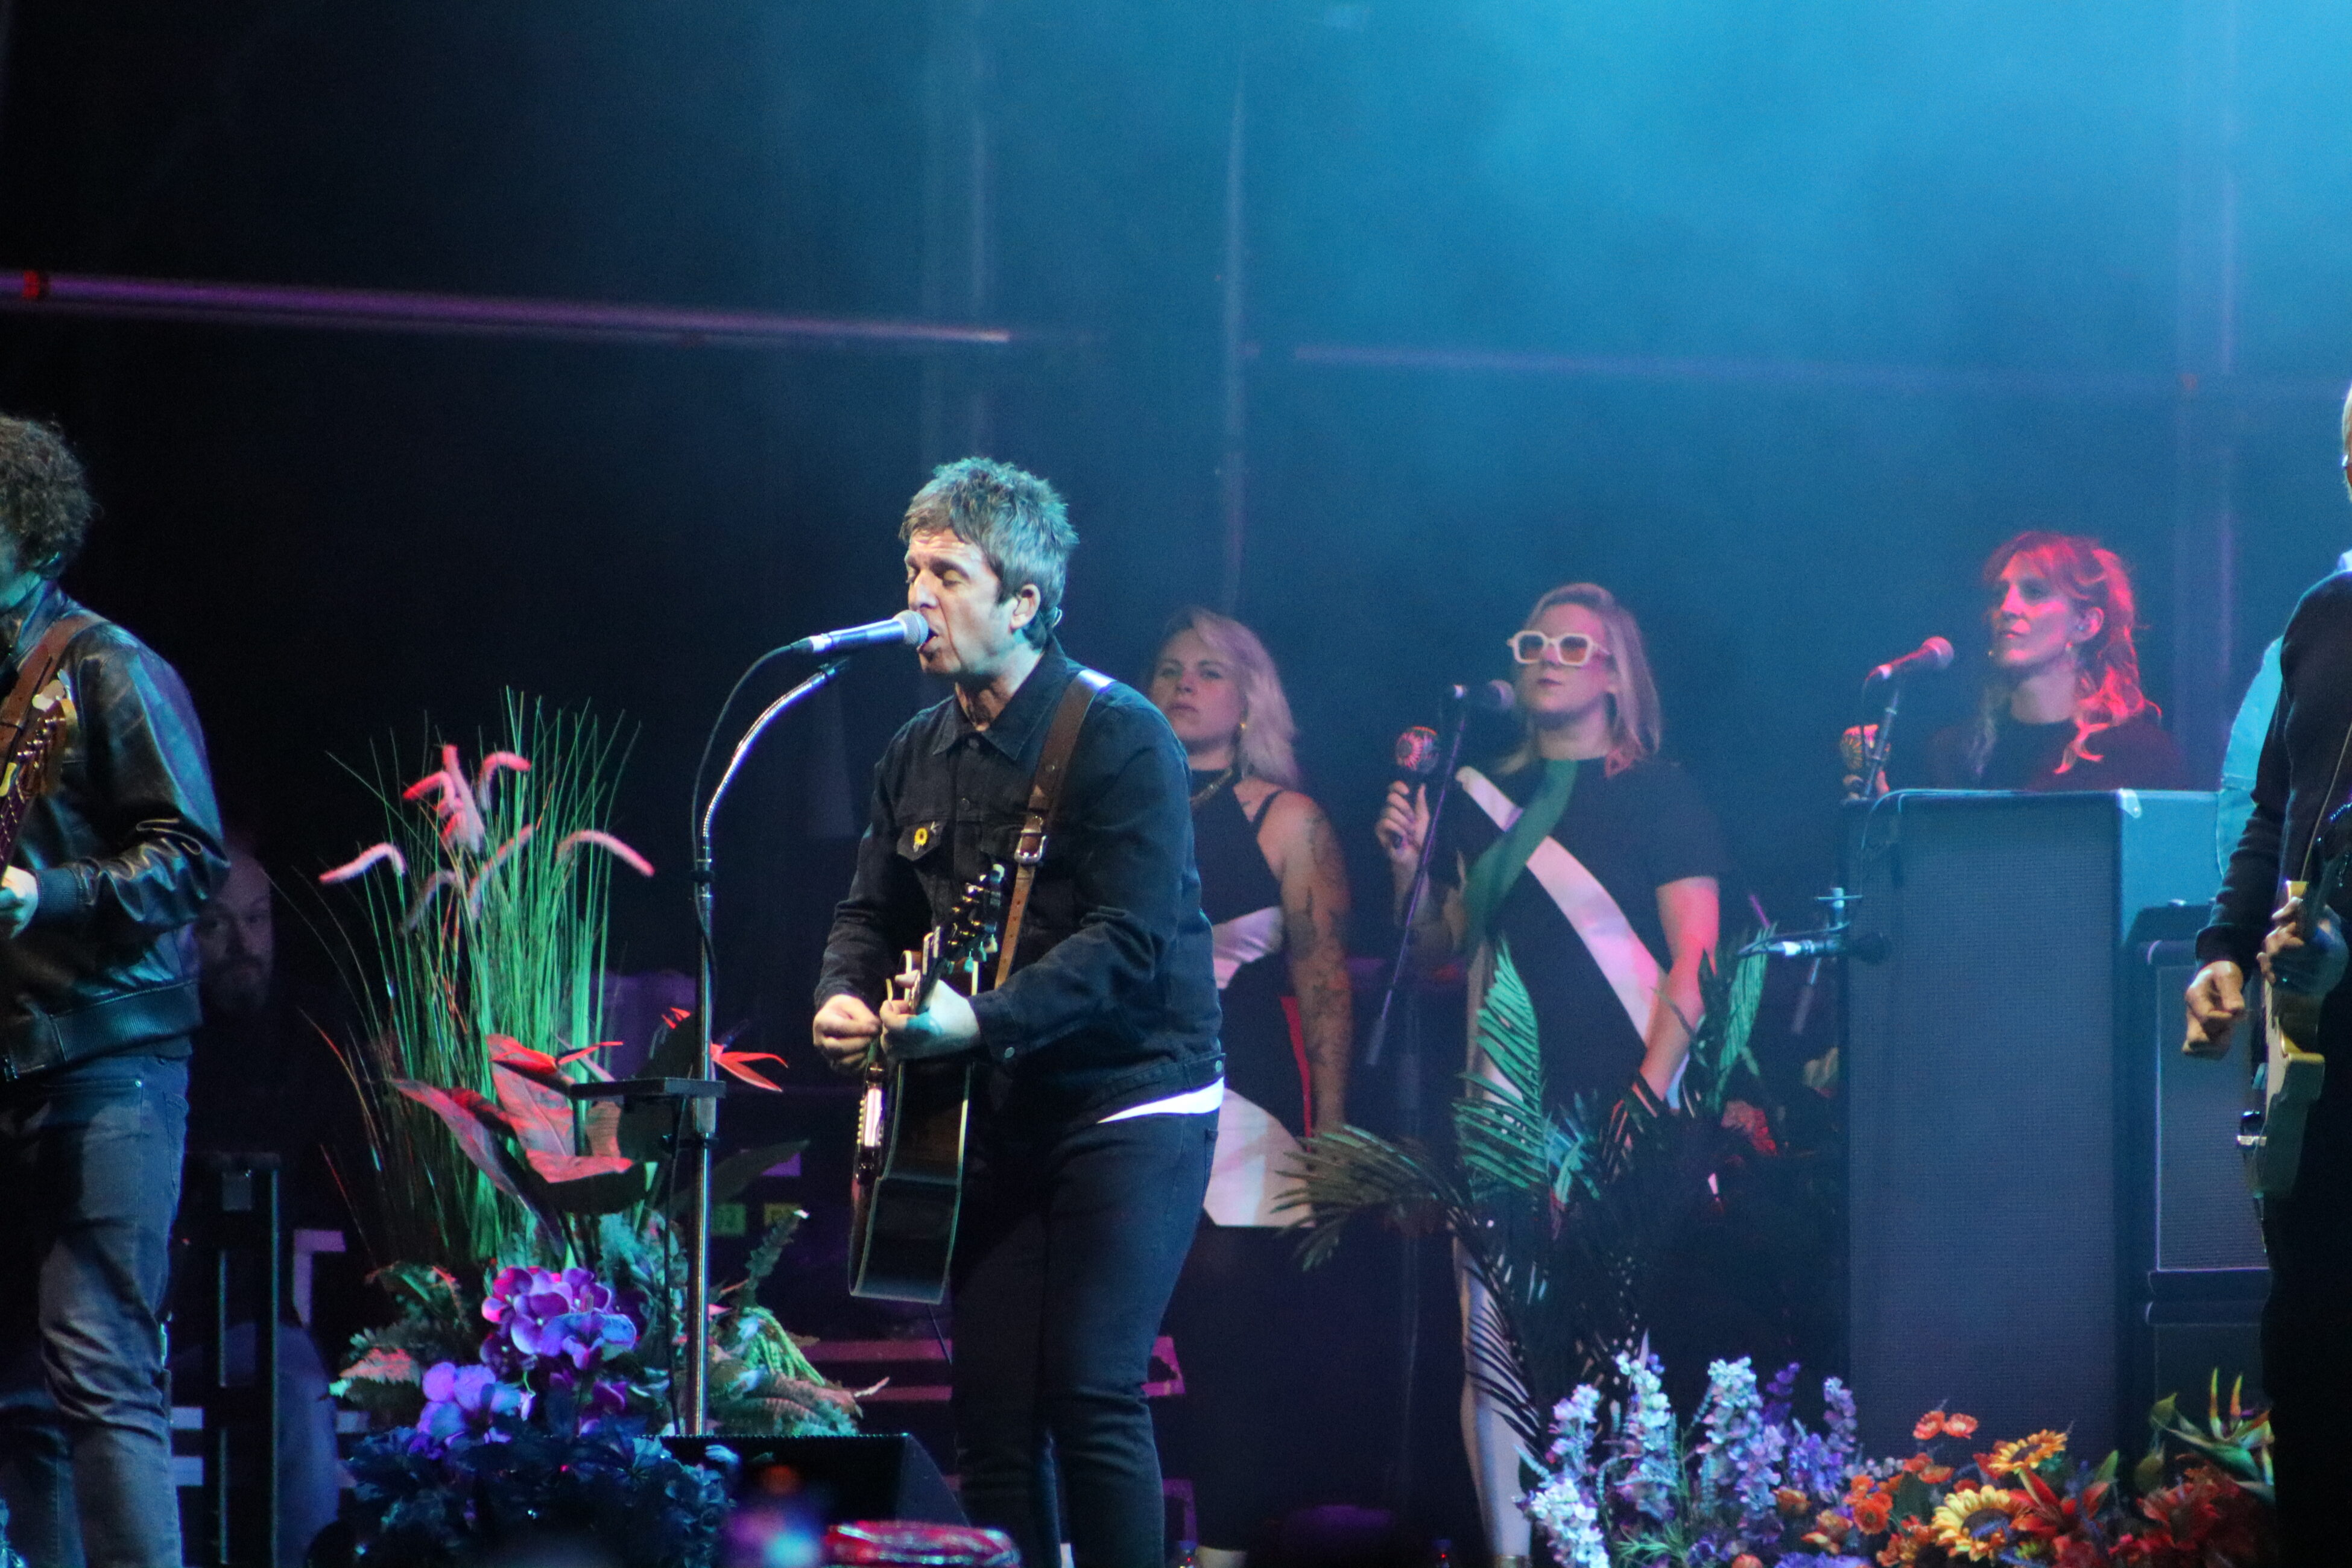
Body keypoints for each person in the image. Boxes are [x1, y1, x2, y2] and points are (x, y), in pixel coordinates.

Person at [812, 458, 1220, 1568]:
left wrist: (979, 1024)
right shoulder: (914, 752)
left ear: (1024, 601)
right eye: (912, 568)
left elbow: (1130, 943)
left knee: (1090, 1391)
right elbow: (869, 911)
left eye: (947, 571)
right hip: (987, 1114)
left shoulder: (1121, 737)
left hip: (1131, 1098)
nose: (917, 596)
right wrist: (843, 994)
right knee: (991, 1419)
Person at [1374, 583, 1725, 1567]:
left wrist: (1645, 1105)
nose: (1548, 657)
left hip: (1625, 1102)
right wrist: (1409, 864)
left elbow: (1695, 959)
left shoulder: (1660, 792)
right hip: (1503, 1112)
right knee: (1494, 1355)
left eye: (1576, 644)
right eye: (1535, 641)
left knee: (1623, 1360)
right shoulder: (1479, 797)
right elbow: (1442, 950)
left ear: (1617, 674)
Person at [0, 416, 227, 1568]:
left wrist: (49, 894)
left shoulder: (104, 669)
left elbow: (190, 856)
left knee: (96, 1369)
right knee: (15, 1401)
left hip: (105, 1062)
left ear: (29, 538)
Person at [1145, 607, 1351, 1566]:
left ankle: (1224, 1552)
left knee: (1229, 1345)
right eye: (1171, 667)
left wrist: (1337, 1137)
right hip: (1117, 1102)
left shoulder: (1288, 819)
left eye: (1212, 670)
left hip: (1241, 1105)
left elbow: (1324, 984)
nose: (1186, 683)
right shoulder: (1104, 809)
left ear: (1249, 697)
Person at [2184, 384, 2352, 1564]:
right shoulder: (2325, 613)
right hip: (2311, 1038)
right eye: (2351, 447)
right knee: (2311, 1328)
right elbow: (2273, 812)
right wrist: (2223, 950)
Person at [181, 833, 364, 1567]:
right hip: (132, 1316)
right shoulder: (147, 1023)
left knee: (299, 1392)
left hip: (251, 1317)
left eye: (257, 919)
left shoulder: (312, 1028)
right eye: (216, 923)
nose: (243, 943)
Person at [1899, 531, 2184, 791]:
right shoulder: (1954, 754)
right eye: (2000, 595)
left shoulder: (2137, 756)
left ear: (2085, 623)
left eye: (2034, 592)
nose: (2007, 608)